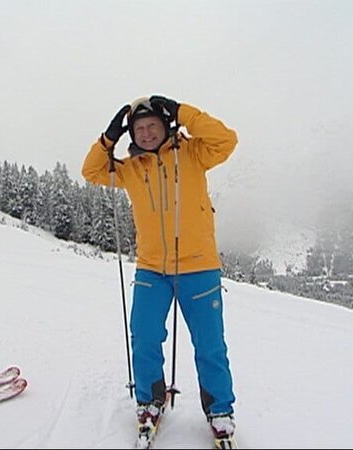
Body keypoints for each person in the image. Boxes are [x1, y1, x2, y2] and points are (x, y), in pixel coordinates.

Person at [81, 95, 239, 443]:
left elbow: (227, 139)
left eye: (153, 125)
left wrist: (183, 112)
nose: (147, 133)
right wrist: (108, 138)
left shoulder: (193, 153)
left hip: (199, 267)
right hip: (152, 269)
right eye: (139, 129)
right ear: (131, 135)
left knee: (210, 344)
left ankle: (220, 410)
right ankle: (151, 401)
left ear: (166, 125)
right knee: (144, 336)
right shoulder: (130, 170)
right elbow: (91, 171)